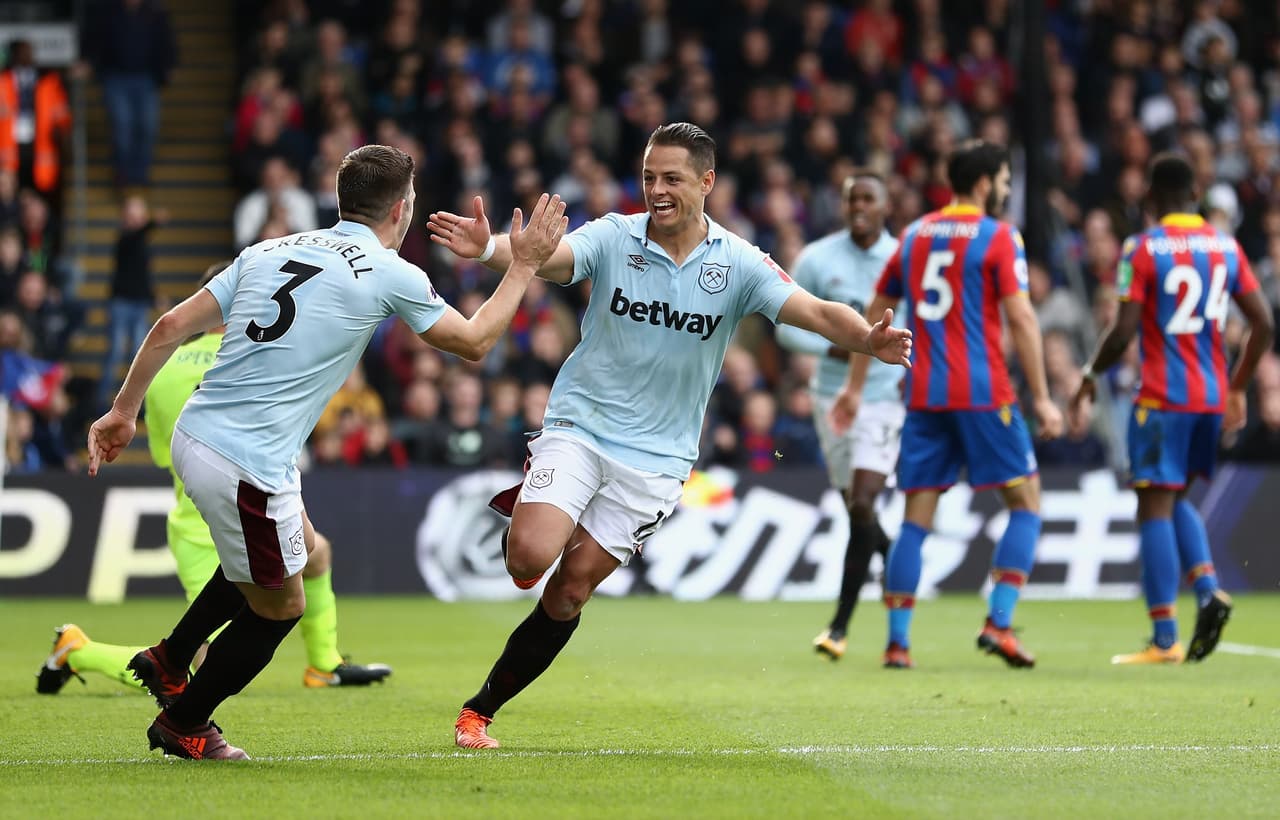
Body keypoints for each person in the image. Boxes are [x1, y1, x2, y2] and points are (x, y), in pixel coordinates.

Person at [427, 122, 912, 749]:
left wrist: (866, 339)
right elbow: (550, 258)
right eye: (650, 176)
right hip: (582, 427)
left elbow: (815, 311)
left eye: (672, 179)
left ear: (706, 183)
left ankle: (479, 711)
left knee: (570, 592)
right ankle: (540, 500)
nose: (656, 189)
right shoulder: (613, 236)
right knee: (527, 561)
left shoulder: (737, 262)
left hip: (657, 460)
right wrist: (490, 249)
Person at [86, 144, 567, 760]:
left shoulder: (266, 250)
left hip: (200, 434)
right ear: (400, 208)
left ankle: (170, 657)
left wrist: (124, 410)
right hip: (245, 461)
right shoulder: (390, 271)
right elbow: (474, 342)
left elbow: (168, 328)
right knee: (285, 602)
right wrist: (523, 265)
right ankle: (185, 721)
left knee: (304, 550)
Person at [39, 263, 392, 699]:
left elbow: (163, 452)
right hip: (243, 498)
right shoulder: (257, 356)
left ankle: (325, 665)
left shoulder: (165, 370)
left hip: (195, 506)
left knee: (315, 553)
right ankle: (80, 650)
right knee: (201, 663)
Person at [832, 140, 1063, 671]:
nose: (1005, 187)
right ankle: (999, 626)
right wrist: (1044, 398)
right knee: (1026, 503)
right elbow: (1023, 320)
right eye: (1003, 178)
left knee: (916, 518)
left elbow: (876, 311)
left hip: (925, 394)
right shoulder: (999, 236)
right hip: (984, 394)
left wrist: (855, 384)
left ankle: (897, 644)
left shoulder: (914, 235)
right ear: (984, 182)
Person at [1070, 153, 1272, 665]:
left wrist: (1091, 375)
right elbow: (1263, 323)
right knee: (1177, 496)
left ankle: (1164, 639)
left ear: (1152, 199)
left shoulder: (1143, 248)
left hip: (1162, 396)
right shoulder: (1224, 247)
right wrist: (1238, 387)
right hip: (1209, 396)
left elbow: (1123, 332)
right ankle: (1207, 590)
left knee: (1153, 505)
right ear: (1195, 195)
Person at [775, 170, 903, 661]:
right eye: (852, 200)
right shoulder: (816, 258)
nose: (858, 208)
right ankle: (898, 558)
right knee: (859, 511)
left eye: (868, 199)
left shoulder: (900, 261)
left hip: (882, 396)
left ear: (884, 206)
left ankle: (839, 627)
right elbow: (783, 325)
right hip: (831, 399)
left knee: (865, 505)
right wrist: (834, 349)